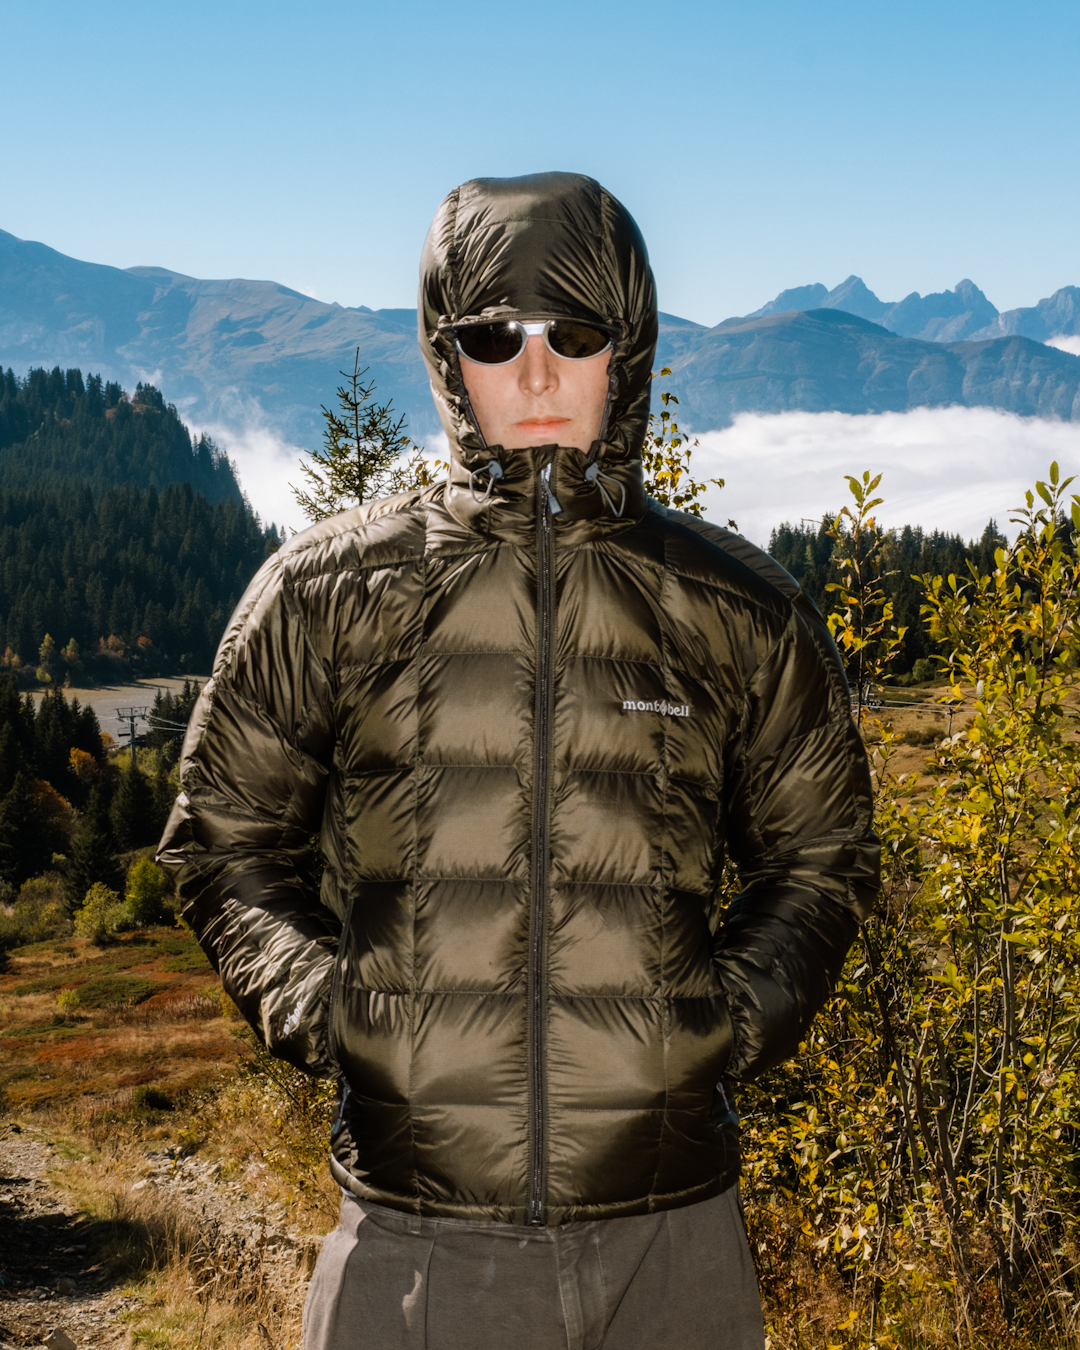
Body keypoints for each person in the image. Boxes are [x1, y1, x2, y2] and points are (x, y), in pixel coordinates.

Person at [159, 171, 879, 1350]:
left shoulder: (736, 606)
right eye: (496, 337)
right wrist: (337, 1012)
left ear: (627, 351)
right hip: (413, 1245)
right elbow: (221, 842)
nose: (538, 375)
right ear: (450, 361)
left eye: (576, 334)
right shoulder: (329, 593)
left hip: (676, 1245)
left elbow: (826, 859)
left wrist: (716, 1025)